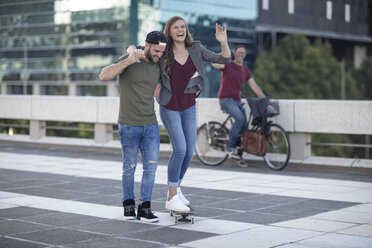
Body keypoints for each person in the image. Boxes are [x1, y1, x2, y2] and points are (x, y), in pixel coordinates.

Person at [158, 16, 231, 212]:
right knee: (180, 149)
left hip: (189, 106)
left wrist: (223, 42)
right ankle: (172, 195)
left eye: (183, 26)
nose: (180, 30)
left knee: (190, 151)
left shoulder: (196, 49)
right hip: (169, 106)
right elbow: (144, 52)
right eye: (176, 27)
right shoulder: (163, 51)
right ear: (170, 31)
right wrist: (131, 51)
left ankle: (176, 187)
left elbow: (224, 59)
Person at [98, 31, 167, 222]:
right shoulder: (129, 58)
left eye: (161, 52)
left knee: (151, 168)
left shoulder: (159, 64)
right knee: (129, 167)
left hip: (151, 125)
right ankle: (128, 205)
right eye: (156, 51)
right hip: (128, 124)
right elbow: (103, 76)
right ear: (146, 45)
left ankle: (145, 208)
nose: (158, 55)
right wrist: (129, 59)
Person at [211, 45, 266, 159]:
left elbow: (254, 86)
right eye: (238, 53)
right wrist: (220, 53)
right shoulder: (228, 65)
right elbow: (215, 64)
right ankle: (229, 147)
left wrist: (264, 98)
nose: (240, 55)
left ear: (245, 55)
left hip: (237, 101)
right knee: (240, 119)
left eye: (243, 53)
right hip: (225, 100)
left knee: (245, 127)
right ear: (235, 54)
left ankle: (238, 151)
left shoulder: (245, 70)